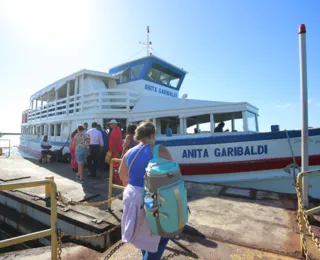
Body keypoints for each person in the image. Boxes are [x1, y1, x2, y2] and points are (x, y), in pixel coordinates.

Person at [119, 121, 173, 259]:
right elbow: (172, 175)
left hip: (131, 195)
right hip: (150, 198)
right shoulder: (159, 150)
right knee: (163, 236)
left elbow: (122, 174)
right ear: (153, 134)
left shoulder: (129, 152)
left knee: (143, 236)